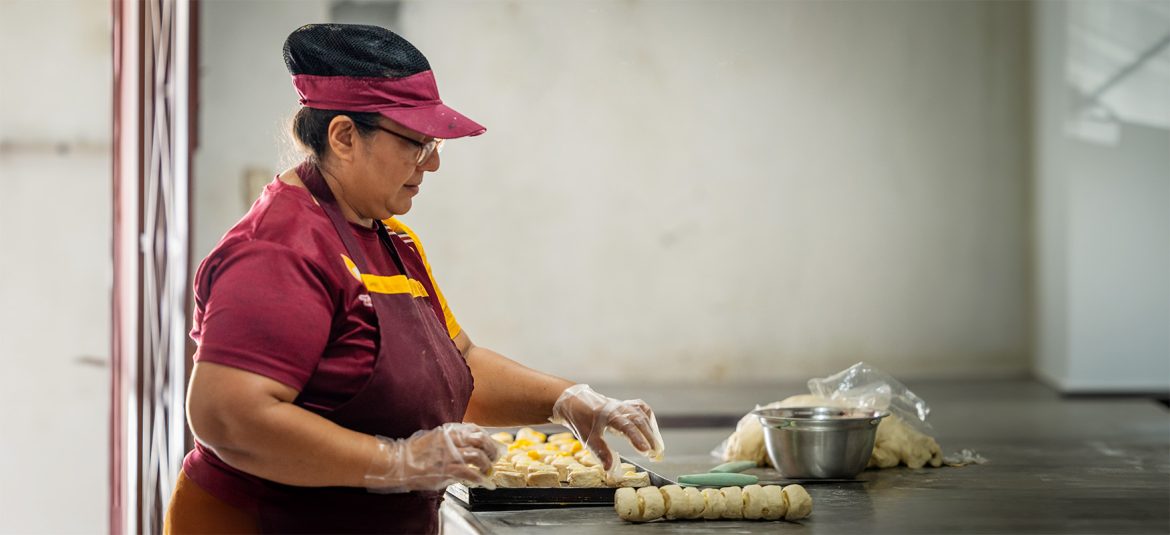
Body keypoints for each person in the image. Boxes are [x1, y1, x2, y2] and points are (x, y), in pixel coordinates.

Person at [164, 23, 664, 534]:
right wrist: (395, 462)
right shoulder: (278, 251)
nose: (433, 164)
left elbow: (458, 364)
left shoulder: (390, 240)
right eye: (417, 144)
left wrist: (567, 401)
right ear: (343, 137)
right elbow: (228, 418)